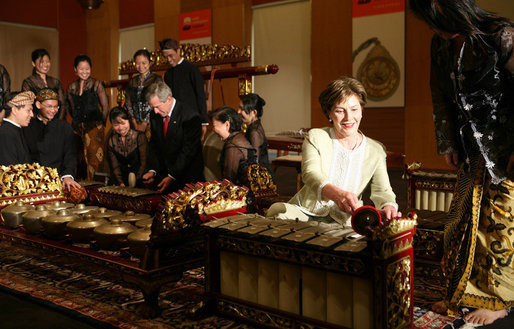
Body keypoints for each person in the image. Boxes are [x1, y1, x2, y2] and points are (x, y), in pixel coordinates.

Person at [410, 0, 514, 325]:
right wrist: (448, 142)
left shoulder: (500, 35)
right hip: (470, 149)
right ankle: (460, 295)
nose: (433, 27)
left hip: (506, 148)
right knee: (460, 225)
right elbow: (439, 94)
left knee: (499, 226)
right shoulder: (440, 43)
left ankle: (501, 303)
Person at [266, 76, 399, 226]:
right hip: (305, 212)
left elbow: (383, 191)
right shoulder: (316, 137)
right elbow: (310, 174)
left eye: (354, 109)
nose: (349, 118)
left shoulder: (376, 150)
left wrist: (388, 207)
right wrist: (337, 194)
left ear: (361, 110)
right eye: (340, 110)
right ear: (329, 113)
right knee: (277, 211)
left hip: (347, 219)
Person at [142, 81, 204, 193]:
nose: (155, 111)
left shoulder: (190, 116)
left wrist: (172, 176)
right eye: (152, 107)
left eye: (157, 106)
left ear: (169, 99)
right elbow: (155, 145)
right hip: (164, 177)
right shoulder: (155, 115)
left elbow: (188, 151)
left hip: (187, 179)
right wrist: (152, 170)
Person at [22, 89, 80, 191]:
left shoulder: (64, 127)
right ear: (38, 105)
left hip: (59, 178)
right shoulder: (27, 127)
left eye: (55, 107)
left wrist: (67, 175)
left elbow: (70, 154)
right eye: (49, 106)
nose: (53, 110)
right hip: (33, 180)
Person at [67, 54, 109, 180]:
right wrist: (76, 122)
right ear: (75, 69)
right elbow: (71, 108)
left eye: (87, 69)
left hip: (94, 127)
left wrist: (101, 124)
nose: (84, 72)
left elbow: (105, 107)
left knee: (94, 161)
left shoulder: (96, 84)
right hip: (77, 128)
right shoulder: (71, 87)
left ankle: (95, 190)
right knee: (77, 160)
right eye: (81, 69)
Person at [159, 38, 208, 140]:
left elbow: (201, 96)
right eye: (165, 57)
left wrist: (204, 122)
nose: (168, 59)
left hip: (192, 119)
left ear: (178, 51)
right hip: (175, 120)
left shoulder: (192, 70)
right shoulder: (168, 74)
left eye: (171, 56)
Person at [210, 106, 257, 186]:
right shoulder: (239, 137)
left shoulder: (233, 145)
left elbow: (228, 182)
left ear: (227, 125)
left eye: (214, 125)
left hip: (242, 195)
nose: (212, 129)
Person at [107, 106, 148, 187]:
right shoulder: (111, 141)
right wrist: (121, 184)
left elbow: (144, 163)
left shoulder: (140, 137)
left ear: (128, 120)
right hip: (120, 183)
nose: (120, 128)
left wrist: (135, 183)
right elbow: (115, 167)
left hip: (139, 181)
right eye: (116, 125)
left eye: (123, 123)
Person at [124, 49, 162, 136]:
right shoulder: (132, 81)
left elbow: (158, 101)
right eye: (137, 63)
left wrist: (145, 123)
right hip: (135, 124)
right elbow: (128, 103)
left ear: (150, 62)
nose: (140, 66)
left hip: (152, 122)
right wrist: (134, 122)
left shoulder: (156, 79)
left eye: (144, 63)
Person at [21, 49, 67, 120]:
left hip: (55, 121)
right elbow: (26, 104)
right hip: (36, 122)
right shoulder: (28, 82)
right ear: (33, 63)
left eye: (47, 61)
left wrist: (58, 122)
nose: (45, 64)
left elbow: (63, 104)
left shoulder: (55, 81)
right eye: (41, 62)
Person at [238, 93, 274, 180]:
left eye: (242, 109)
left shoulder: (254, 132)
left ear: (254, 112)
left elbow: (255, 162)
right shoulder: (255, 127)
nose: (238, 111)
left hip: (261, 180)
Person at [0, 91, 35, 165]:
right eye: (29, 110)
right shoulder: (5, 133)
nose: (32, 115)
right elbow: (9, 168)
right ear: (15, 110)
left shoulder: (15, 130)